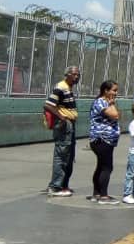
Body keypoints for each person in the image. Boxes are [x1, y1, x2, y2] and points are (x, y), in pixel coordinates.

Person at [45, 65, 81, 197]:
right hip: (64, 125)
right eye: (74, 74)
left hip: (70, 125)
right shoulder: (61, 87)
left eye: (78, 74)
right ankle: (55, 186)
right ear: (67, 75)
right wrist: (62, 117)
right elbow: (48, 105)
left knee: (69, 156)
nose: (76, 76)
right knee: (61, 155)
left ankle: (63, 185)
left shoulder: (68, 88)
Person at [89, 80, 120, 205]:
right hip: (102, 139)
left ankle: (96, 193)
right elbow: (115, 115)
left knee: (101, 166)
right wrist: (112, 104)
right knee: (107, 167)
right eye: (114, 90)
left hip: (107, 139)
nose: (116, 93)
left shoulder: (104, 102)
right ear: (106, 91)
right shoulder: (101, 102)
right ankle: (103, 195)